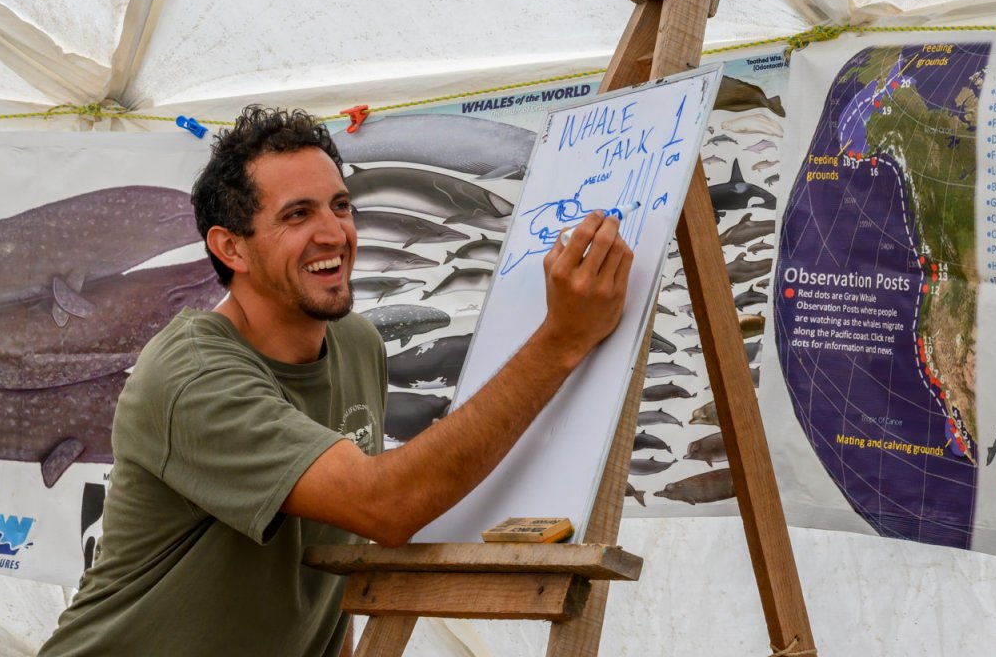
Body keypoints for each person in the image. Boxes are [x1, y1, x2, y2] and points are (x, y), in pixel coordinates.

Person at [39, 106, 633, 656]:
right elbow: (385, 505)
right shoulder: (191, 374)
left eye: (341, 205)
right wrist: (562, 339)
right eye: (298, 214)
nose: (335, 233)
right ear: (230, 248)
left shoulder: (356, 344)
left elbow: (330, 566)